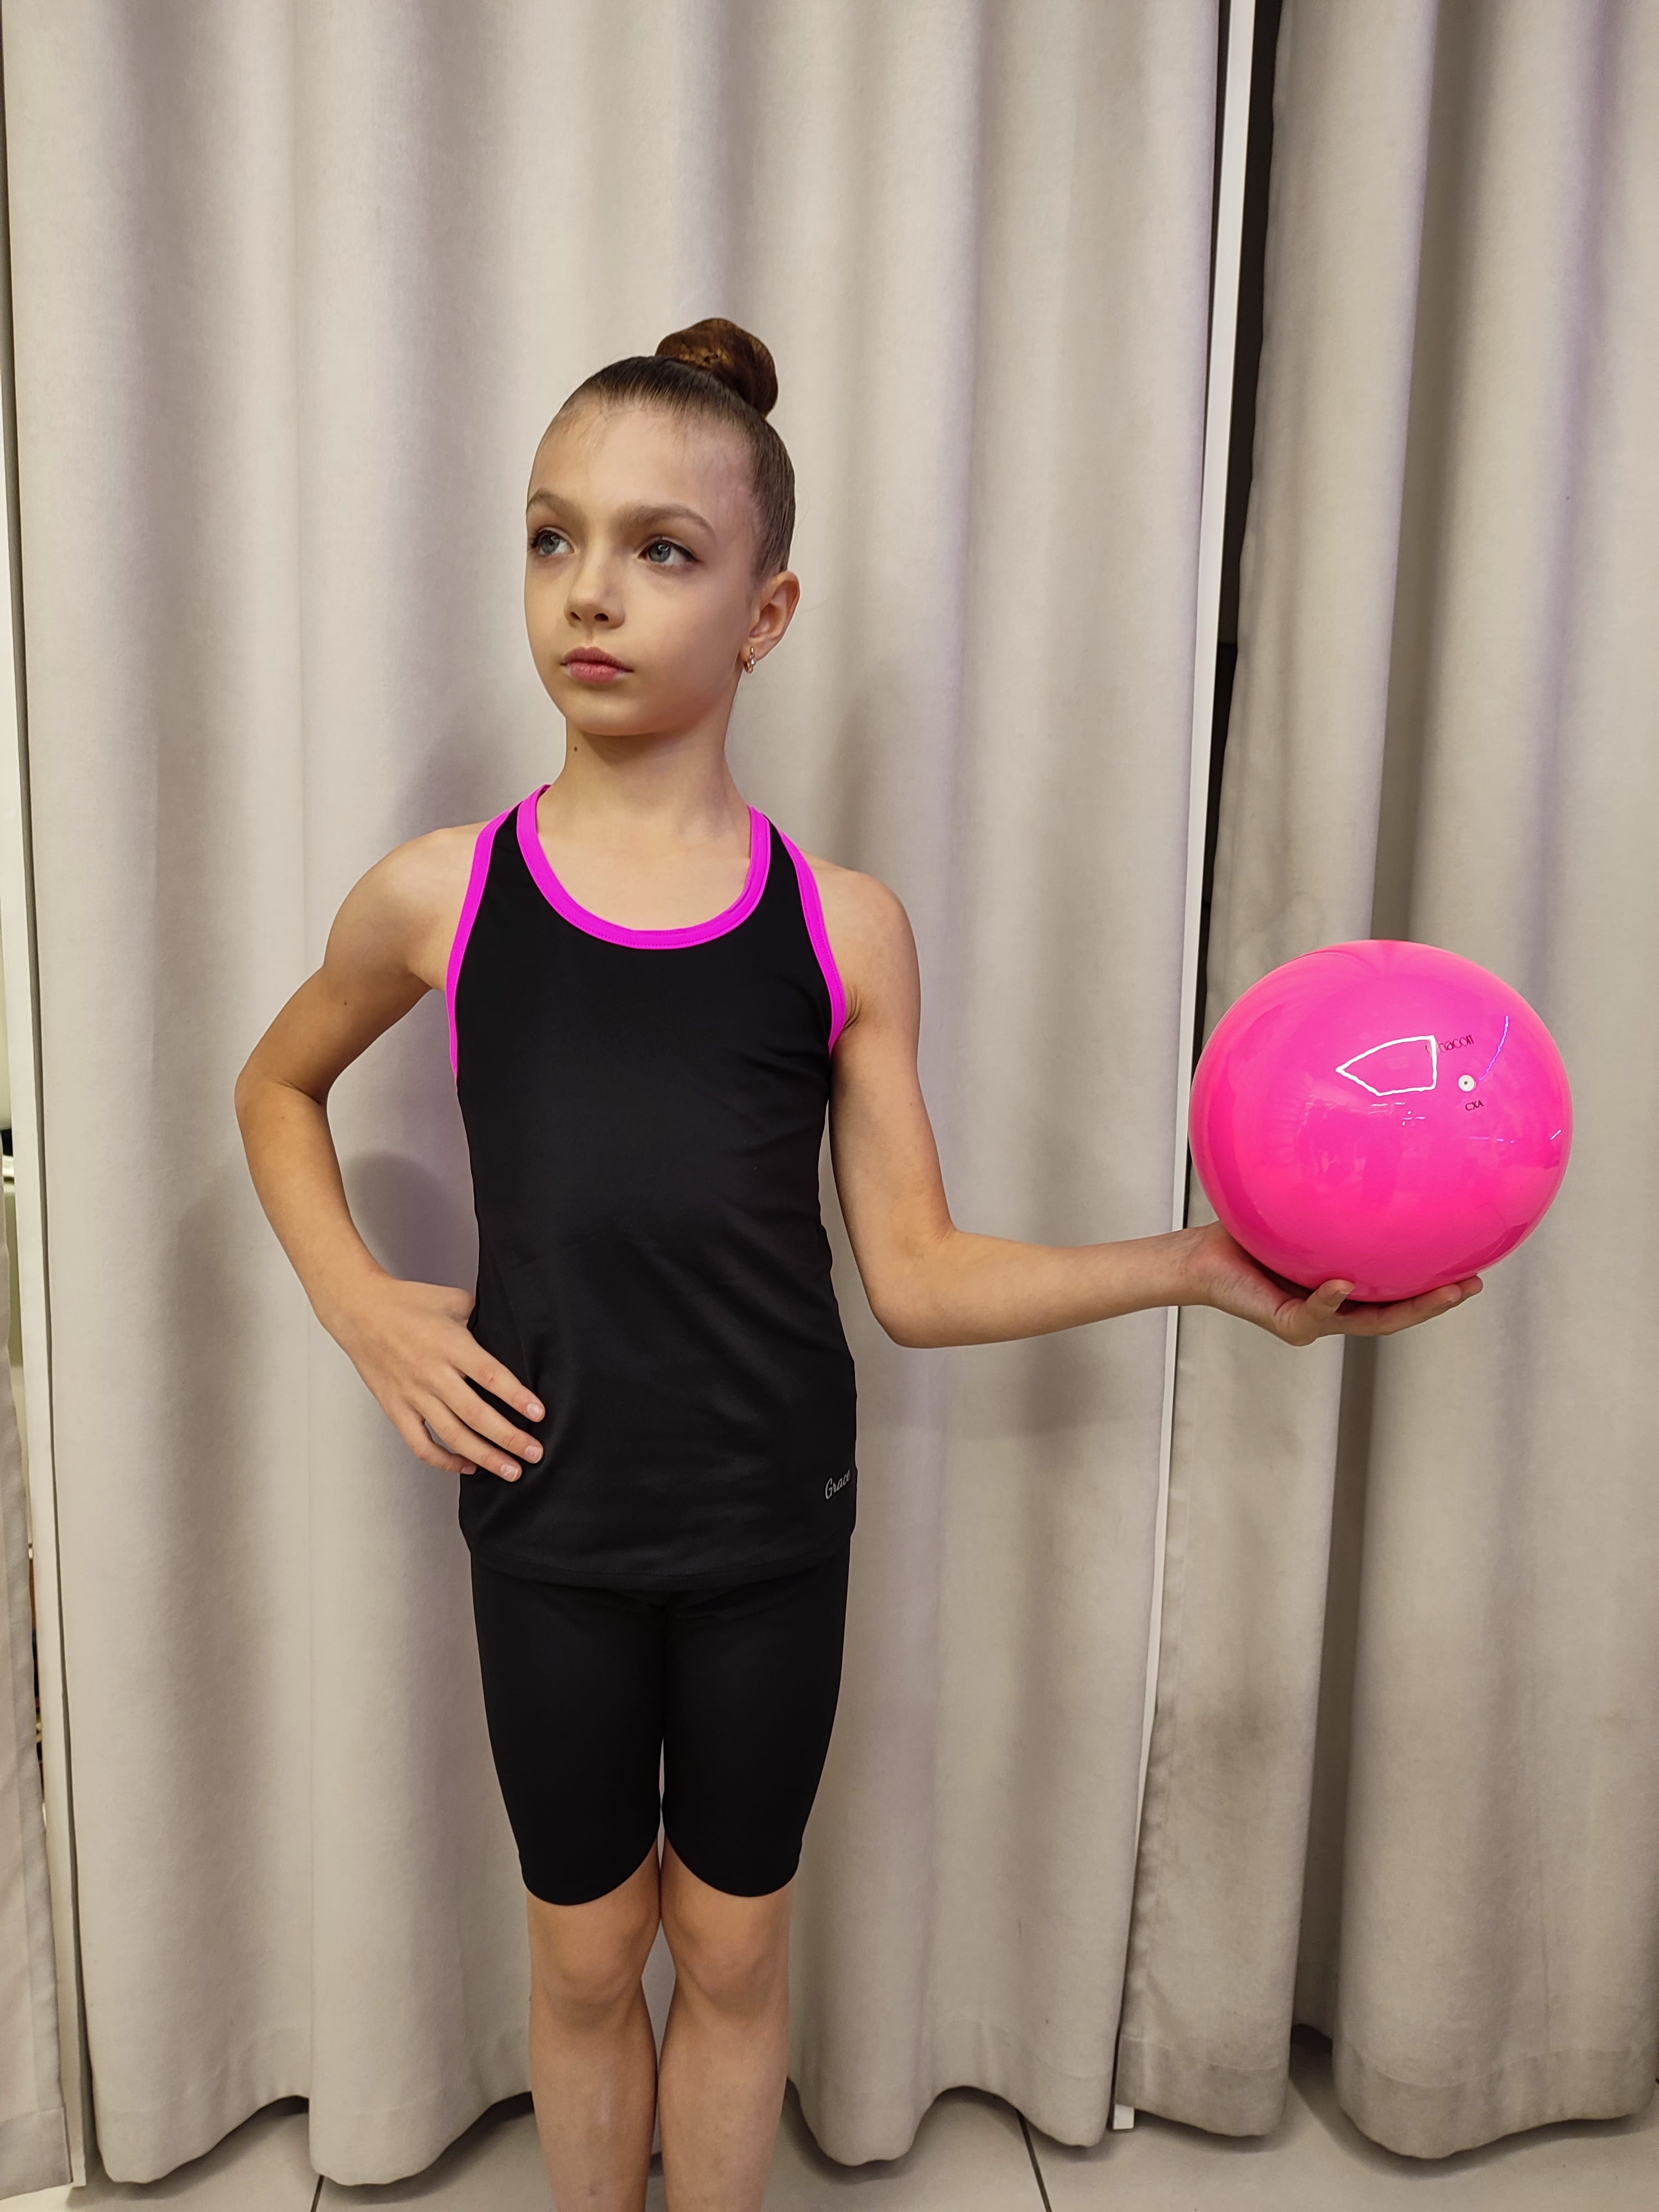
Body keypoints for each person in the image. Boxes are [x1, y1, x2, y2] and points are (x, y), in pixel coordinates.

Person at [232, 315, 1482, 2212]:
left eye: (662, 549)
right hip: (550, 1524)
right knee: (588, 1957)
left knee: (734, 1953)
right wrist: (355, 1301)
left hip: (769, 1531)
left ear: (767, 612)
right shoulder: (443, 895)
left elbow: (915, 1273)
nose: (591, 590)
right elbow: (275, 1085)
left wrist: (1202, 1266)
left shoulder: (842, 928)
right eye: (554, 537)